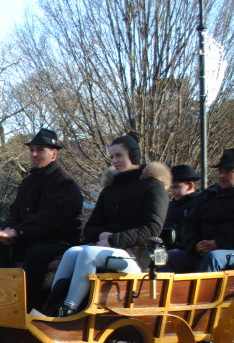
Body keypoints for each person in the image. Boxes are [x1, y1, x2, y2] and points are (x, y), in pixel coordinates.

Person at [43, 134, 170, 316]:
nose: (114, 161)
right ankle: (50, 306)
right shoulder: (110, 189)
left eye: (119, 155)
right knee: (71, 253)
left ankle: (69, 309)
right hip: (107, 248)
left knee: (88, 253)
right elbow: (91, 226)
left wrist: (112, 240)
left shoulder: (152, 186)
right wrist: (100, 236)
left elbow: (152, 228)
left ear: (133, 156)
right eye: (112, 157)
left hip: (137, 255)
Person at [0, 128, 84, 311]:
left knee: (36, 253)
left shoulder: (64, 182)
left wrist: (17, 232)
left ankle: (31, 310)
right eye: (31, 150)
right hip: (29, 239)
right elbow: (15, 215)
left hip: (60, 242)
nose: (34, 154)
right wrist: (5, 233)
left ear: (54, 154)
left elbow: (49, 219)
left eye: (40, 150)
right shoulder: (27, 183)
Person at [165, 149, 234, 273]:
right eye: (220, 171)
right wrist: (195, 245)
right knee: (166, 259)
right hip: (206, 251)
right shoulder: (208, 194)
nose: (222, 175)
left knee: (214, 258)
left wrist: (218, 243)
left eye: (229, 172)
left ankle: (202, 293)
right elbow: (189, 223)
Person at [164, 164, 201, 249]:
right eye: (171, 188)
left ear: (191, 186)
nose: (172, 192)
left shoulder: (199, 205)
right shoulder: (170, 205)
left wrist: (181, 248)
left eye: (176, 187)